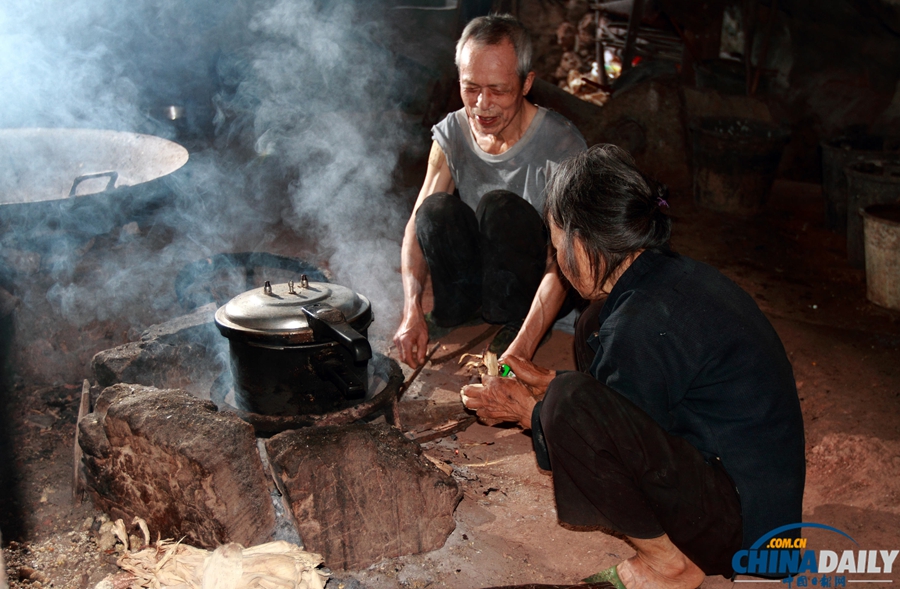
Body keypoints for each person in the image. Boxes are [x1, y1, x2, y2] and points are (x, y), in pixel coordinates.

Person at [462, 145, 805, 588]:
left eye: (556, 239)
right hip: (746, 481)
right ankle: (674, 542)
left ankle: (668, 563)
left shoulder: (639, 326)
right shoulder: (661, 277)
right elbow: (631, 404)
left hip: (746, 529)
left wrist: (528, 413)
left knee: (567, 405)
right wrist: (550, 383)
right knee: (588, 329)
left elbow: (597, 424)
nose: (555, 253)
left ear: (581, 241)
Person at [393, 14, 587, 368]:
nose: (482, 104)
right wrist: (411, 309)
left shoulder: (561, 144)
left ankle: (513, 325)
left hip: (531, 285)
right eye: (471, 88)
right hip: (483, 277)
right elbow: (416, 229)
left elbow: (566, 260)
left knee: (501, 209)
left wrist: (523, 348)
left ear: (526, 83)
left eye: (498, 89)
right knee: (435, 210)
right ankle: (457, 313)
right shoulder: (452, 132)